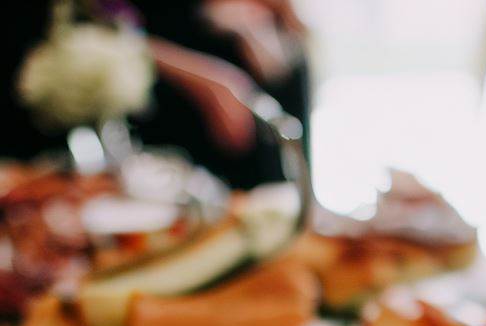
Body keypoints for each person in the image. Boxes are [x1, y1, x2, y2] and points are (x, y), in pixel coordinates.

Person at [2, 1, 309, 191]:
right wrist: (207, 79)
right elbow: (109, 21)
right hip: (148, 69)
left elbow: (281, 44)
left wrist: (249, 26)